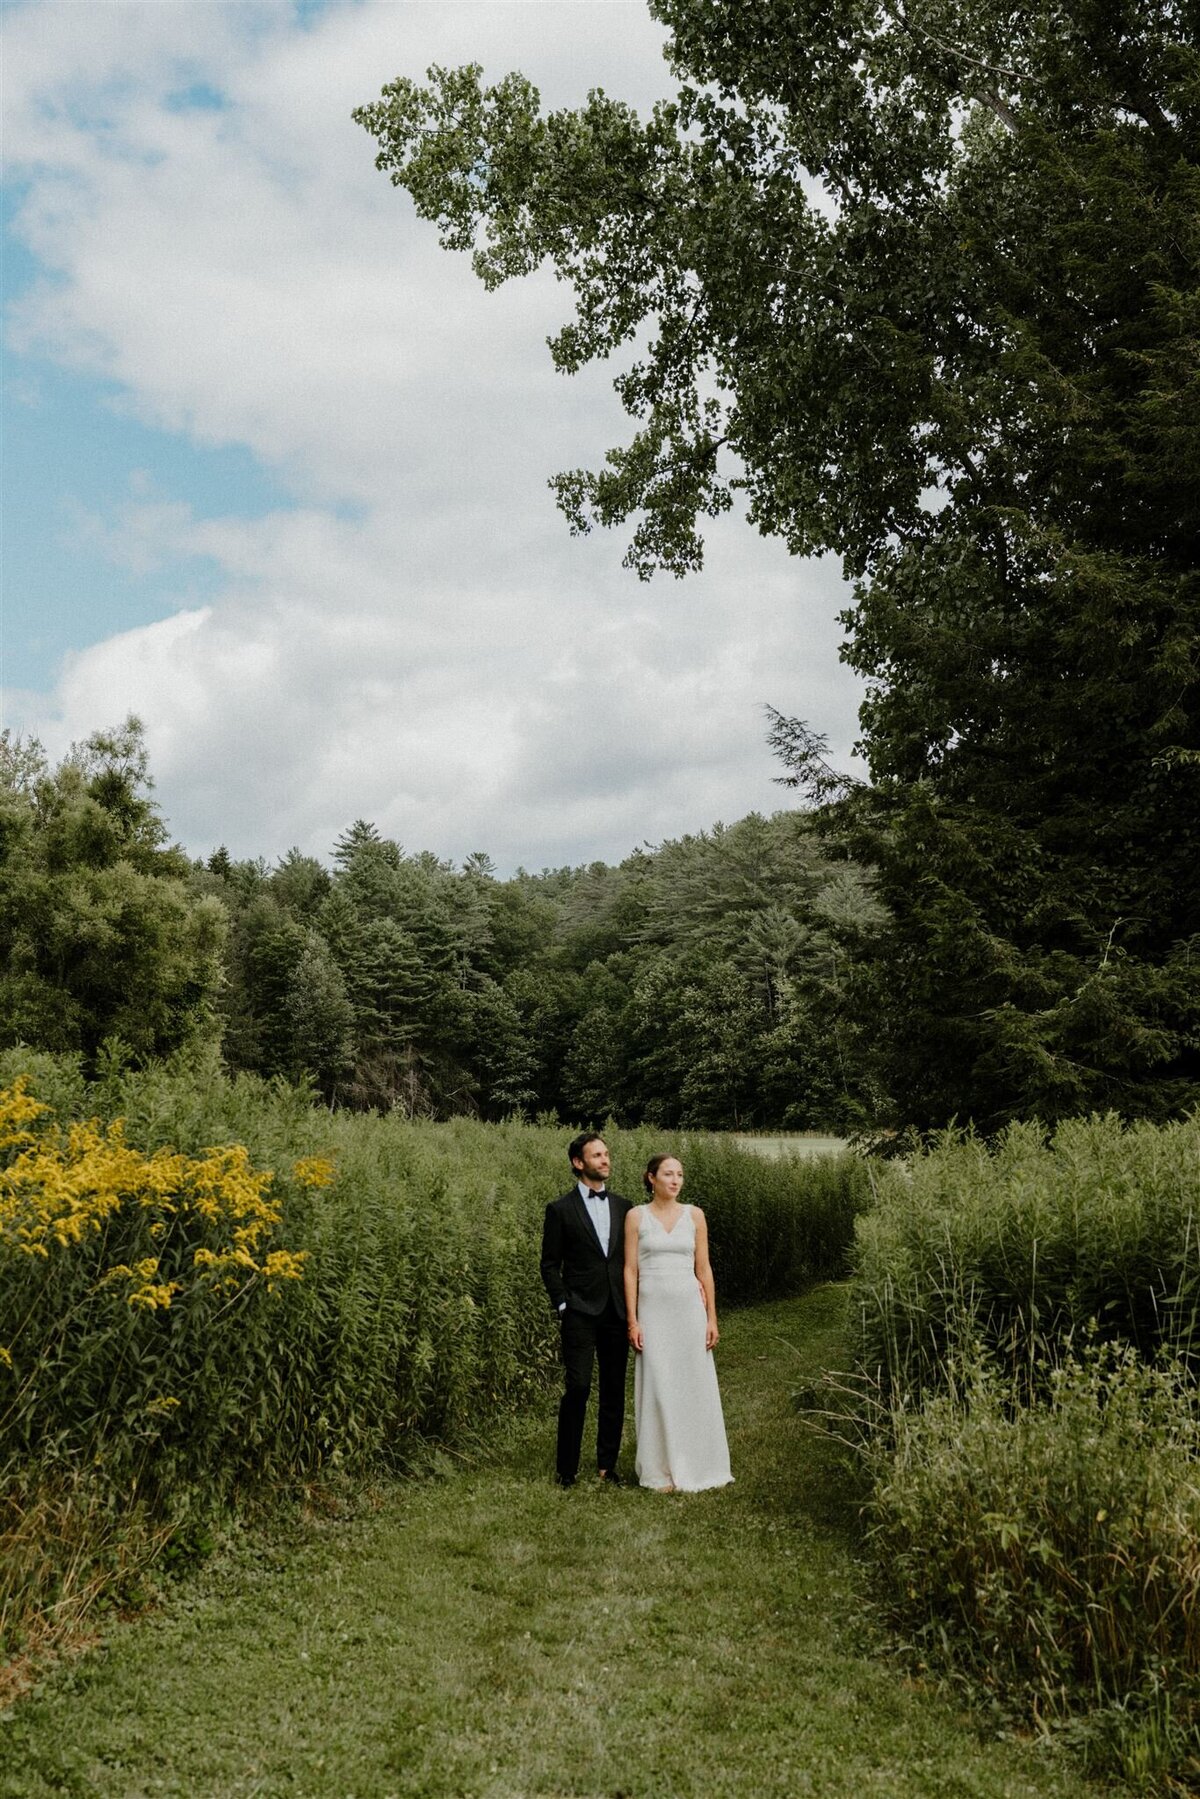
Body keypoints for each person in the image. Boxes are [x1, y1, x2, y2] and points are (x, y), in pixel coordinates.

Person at [624, 1153, 733, 1492]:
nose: (675, 1180)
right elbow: (629, 1271)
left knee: (691, 1383)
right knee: (658, 1385)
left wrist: (712, 1316)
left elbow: (704, 1269)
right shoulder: (635, 1217)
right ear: (651, 1178)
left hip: (689, 1309)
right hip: (652, 1312)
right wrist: (633, 1320)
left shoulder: (694, 1215)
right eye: (668, 1174)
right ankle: (659, 1469)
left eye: (680, 1175)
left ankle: (699, 1463)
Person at [540, 1132, 632, 1488]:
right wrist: (563, 1303)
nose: (606, 1160)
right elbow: (549, 1264)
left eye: (607, 1154)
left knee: (613, 1389)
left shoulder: (625, 1207)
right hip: (579, 1310)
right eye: (597, 1155)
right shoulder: (560, 1209)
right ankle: (567, 1469)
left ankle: (607, 1466)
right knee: (577, 1387)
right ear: (579, 1163)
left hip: (616, 1309)